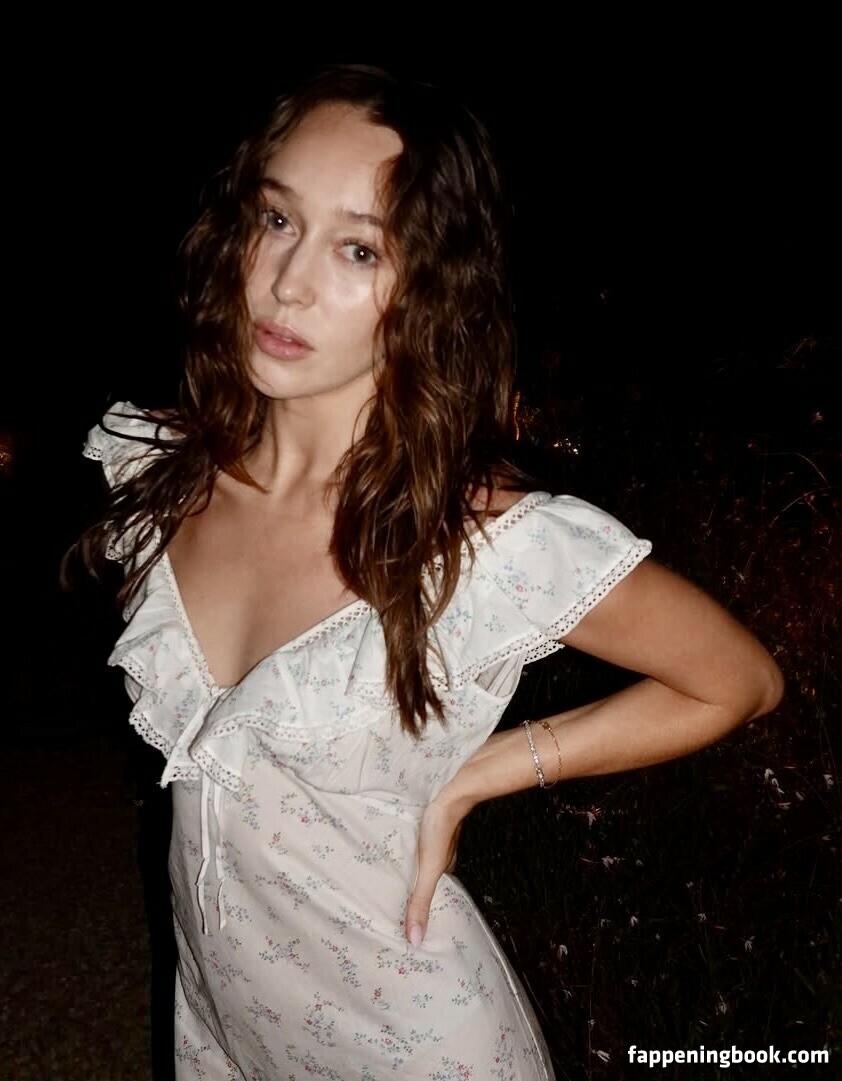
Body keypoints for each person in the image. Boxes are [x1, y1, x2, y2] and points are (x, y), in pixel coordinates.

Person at [67, 63, 784, 1080]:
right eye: (277, 220)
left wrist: (486, 770)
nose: (288, 282)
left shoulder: (483, 544)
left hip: (413, 1037)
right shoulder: (169, 474)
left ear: (430, 289)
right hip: (225, 1022)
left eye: (358, 248)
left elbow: (737, 679)